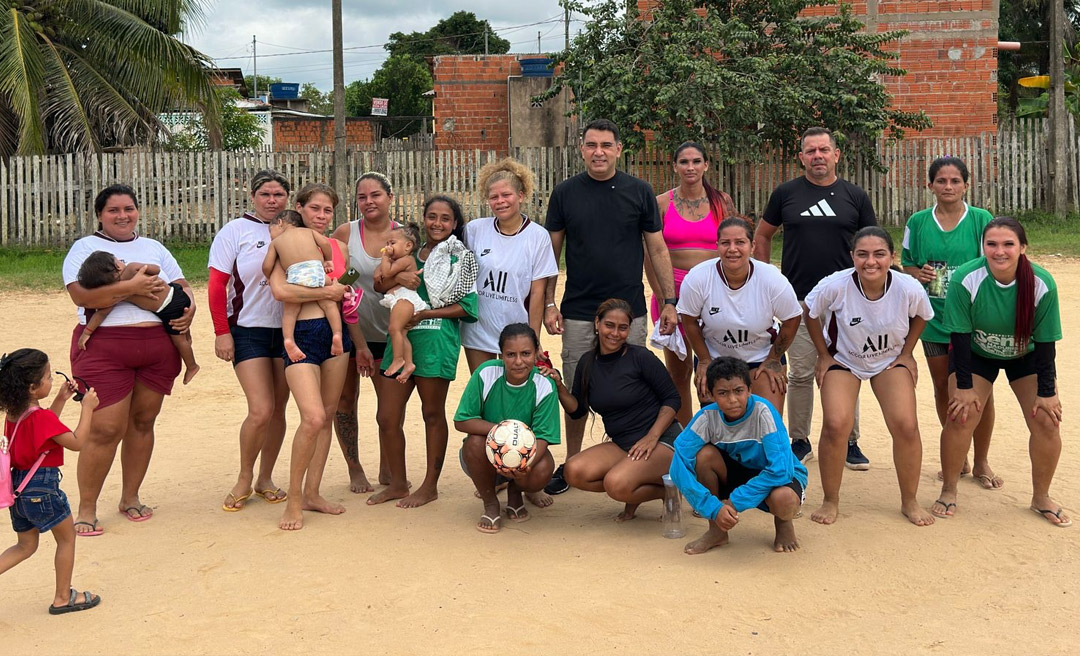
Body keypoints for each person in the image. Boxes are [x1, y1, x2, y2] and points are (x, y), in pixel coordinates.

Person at [543, 118, 680, 495]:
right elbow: (551, 253)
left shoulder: (639, 191)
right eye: (591, 145)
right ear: (582, 149)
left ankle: (645, 457)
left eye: (606, 145)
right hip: (578, 310)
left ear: (619, 149)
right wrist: (549, 303)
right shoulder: (565, 193)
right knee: (576, 388)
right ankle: (572, 461)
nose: (598, 152)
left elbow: (656, 248)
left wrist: (668, 301)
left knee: (635, 385)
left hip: (629, 311)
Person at [62, 184, 194, 533]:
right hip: (105, 347)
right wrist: (131, 289)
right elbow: (81, 294)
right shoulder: (85, 248)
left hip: (157, 346)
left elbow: (183, 285)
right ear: (100, 215)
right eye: (113, 210)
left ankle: (130, 497)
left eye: (129, 208)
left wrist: (189, 311)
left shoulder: (153, 247)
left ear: (138, 211)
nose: (122, 216)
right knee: (105, 428)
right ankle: (87, 508)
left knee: (143, 422)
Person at [753, 126, 877, 470]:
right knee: (802, 373)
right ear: (801, 156)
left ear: (837, 155)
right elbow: (762, 235)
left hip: (846, 303)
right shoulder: (786, 193)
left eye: (824, 150)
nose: (818, 156)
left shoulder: (855, 196)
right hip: (799, 302)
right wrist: (764, 278)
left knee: (848, 370)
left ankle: (850, 440)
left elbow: (872, 244)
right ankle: (800, 440)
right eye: (811, 151)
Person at [935, 218, 1068, 527]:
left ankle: (1041, 497)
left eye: (1008, 244)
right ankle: (949, 490)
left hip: (1025, 355)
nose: (999, 251)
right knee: (961, 413)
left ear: (1022, 247)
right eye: (991, 244)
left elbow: (1046, 343)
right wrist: (964, 386)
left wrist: (1047, 392)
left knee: (1048, 421)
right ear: (983, 247)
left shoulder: (1041, 283)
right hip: (977, 354)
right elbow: (959, 338)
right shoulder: (966, 278)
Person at [803, 227, 936, 526]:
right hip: (844, 360)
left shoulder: (907, 286)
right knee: (836, 424)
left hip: (888, 360)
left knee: (906, 424)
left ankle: (909, 500)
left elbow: (923, 316)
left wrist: (907, 354)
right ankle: (830, 500)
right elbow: (809, 311)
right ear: (852, 257)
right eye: (862, 254)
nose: (870, 261)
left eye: (879, 254)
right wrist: (824, 355)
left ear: (891, 256)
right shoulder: (836, 285)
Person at [209, 170, 311, 512]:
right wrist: (221, 330)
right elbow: (215, 286)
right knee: (261, 408)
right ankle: (244, 476)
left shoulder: (297, 230)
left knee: (279, 409)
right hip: (248, 328)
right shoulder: (235, 231)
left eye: (278, 195)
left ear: (288, 198)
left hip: (289, 330)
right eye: (265, 194)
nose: (272, 200)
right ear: (253, 196)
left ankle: (265, 478)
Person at [369, 195, 479, 508]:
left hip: (435, 343)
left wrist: (425, 314)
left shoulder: (461, 259)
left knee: (432, 413)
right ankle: (399, 483)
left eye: (445, 218)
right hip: (400, 342)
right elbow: (379, 284)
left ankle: (430, 485)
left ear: (455, 224)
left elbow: (468, 307)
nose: (437, 223)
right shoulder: (408, 252)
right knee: (387, 416)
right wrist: (396, 275)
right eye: (432, 216)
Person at [901, 156, 998, 487]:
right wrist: (920, 273)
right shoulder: (916, 222)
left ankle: (983, 460)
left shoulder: (982, 220)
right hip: (935, 319)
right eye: (941, 181)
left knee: (978, 392)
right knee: (944, 387)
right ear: (929, 186)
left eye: (955, 181)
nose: (948, 187)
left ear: (966, 185)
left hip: (973, 321)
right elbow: (906, 266)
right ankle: (959, 458)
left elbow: (996, 262)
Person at [542, 299, 682, 521]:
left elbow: (672, 398)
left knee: (615, 485)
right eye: (609, 325)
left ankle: (670, 489)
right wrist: (559, 386)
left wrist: (651, 437)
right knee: (573, 471)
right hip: (623, 443)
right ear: (597, 323)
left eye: (623, 327)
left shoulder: (640, 357)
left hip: (661, 439)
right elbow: (577, 411)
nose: (615, 333)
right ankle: (647, 485)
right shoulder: (587, 362)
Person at [268, 184, 354, 530]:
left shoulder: (339, 247)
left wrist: (343, 288)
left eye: (327, 211)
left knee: (329, 413)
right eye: (315, 209)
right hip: (300, 335)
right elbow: (280, 290)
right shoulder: (286, 244)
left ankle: (313, 493)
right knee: (313, 417)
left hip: (336, 335)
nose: (321, 216)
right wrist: (326, 290)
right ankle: (293, 499)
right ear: (300, 209)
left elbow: (348, 280)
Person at [668, 357, 807, 554]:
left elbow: (781, 470)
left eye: (739, 391)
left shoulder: (764, 413)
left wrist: (734, 502)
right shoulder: (707, 417)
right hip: (737, 473)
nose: (732, 400)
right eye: (723, 393)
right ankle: (717, 531)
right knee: (703, 456)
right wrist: (713, 507)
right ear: (711, 395)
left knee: (784, 500)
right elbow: (679, 464)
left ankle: (784, 524)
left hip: (778, 476)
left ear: (750, 390)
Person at [0, 349, 101, 613]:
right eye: (48, 377)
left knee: (25, 545)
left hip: (19, 490)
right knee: (67, 539)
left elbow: (44, 431)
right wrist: (87, 409)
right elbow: (77, 442)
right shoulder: (41, 418)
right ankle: (62, 597)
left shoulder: (14, 414)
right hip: (42, 489)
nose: (51, 380)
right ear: (33, 387)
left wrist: (60, 399)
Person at [647, 142, 736, 426]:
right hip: (673, 292)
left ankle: (721, 436)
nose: (690, 167)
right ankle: (687, 438)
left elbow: (733, 246)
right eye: (684, 162)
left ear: (706, 165)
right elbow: (650, 255)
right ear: (674, 166)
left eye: (696, 161)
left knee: (717, 370)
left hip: (715, 293)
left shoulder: (722, 201)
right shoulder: (661, 203)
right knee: (679, 373)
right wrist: (665, 301)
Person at [677, 217, 801, 414]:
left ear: (752, 246)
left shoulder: (772, 279)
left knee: (767, 423)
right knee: (718, 430)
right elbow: (689, 320)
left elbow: (792, 318)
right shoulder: (698, 278)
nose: (732, 249)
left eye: (740, 242)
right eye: (725, 243)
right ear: (717, 246)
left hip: (759, 357)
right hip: (715, 358)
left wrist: (773, 358)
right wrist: (704, 360)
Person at [330, 172, 402, 494]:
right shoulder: (345, 233)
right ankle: (355, 468)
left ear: (390, 197)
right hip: (349, 332)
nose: (369, 202)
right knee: (345, 400)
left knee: (389, 407)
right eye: (362, 197)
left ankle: (388, 467)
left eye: (375, 195)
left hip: (390, 334)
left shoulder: (403, 235)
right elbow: (336, 278)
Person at [454, 324, 560, 533]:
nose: (519, 361)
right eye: (511, 354)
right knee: (474, 441)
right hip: (484, 458)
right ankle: (490, 503)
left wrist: (520, 465)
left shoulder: (544, 383)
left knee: (544, 468)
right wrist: (504, 432)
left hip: (524, 460)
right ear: (501, 354)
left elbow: (544, 436)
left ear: (536, 351)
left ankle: (515, 492)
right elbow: (462, 420)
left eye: (526, 353)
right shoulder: (486, 373)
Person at [461, 158, 559, 372]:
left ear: (521, 195)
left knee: (513, 394)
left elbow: (537, 293)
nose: (500, 201)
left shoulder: (538, 237)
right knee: (484, 391)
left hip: (517, 332)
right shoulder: (474, 230)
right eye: (493, 196)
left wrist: (534, 338)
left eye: (506, 195)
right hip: (478, 328)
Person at [76, 251, 199, 385]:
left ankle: (192, 366)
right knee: (183, 333)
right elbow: (156, 269)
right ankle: (189, 343)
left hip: (170, 306)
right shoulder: (131, 270)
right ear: (117, 265)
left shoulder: (117, 292)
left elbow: (101, 313)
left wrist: (87, 332)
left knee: (179, 341)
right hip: (173, 294)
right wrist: (146, 268)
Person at [262, 209, 344, 362]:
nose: (270, 236)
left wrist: (268, 276)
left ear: (279, 223)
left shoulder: (276, 243)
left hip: (295, 274)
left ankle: (288, 340)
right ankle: (337, 334)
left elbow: (267, 265)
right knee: (329, 304)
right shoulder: (309, 232)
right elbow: (325, 243)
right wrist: (328, 260)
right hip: (316, 271)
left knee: (291, 311)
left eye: (270, 231)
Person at [376, 224, 426, 381]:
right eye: (387, 244)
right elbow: (377, 276)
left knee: (394, 329)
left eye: (392, 243)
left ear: (408, 246)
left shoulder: (407, 260)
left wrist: (384, 258)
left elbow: (385, 273)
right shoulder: (397, 260)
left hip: (405, 298)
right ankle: (409, 364)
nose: (387, 247)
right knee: (403, 334)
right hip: (399, 299)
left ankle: (398, 359)